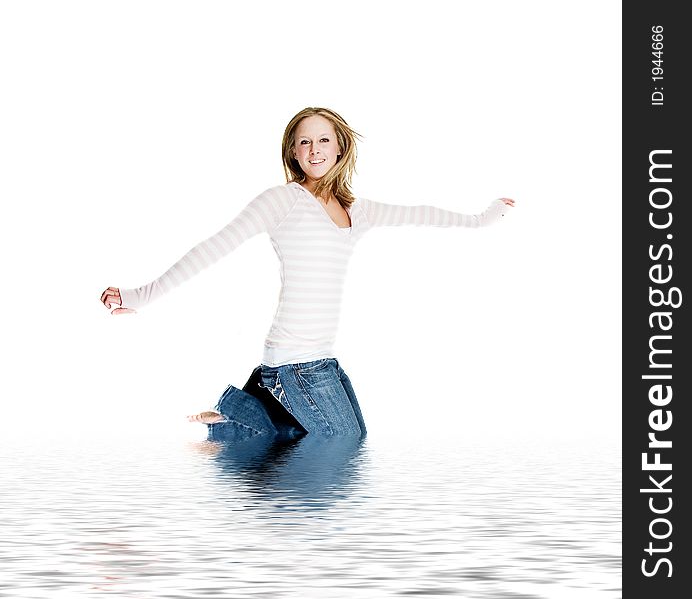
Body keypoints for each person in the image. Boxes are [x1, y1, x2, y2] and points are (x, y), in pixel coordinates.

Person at [100, 107, 515, 440]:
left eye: (323, 140)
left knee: (337, 439)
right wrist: (141, 295)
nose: (314, 150)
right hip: (293, 364)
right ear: (293, 153)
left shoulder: (358, 211)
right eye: (304, 142)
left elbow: (423, 214)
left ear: (339, 148)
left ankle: (236, 417)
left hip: (322, 361)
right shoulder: (283, 201)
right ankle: (237, 424)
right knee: (343, 443)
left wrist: (481, 220)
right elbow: (215, 246)